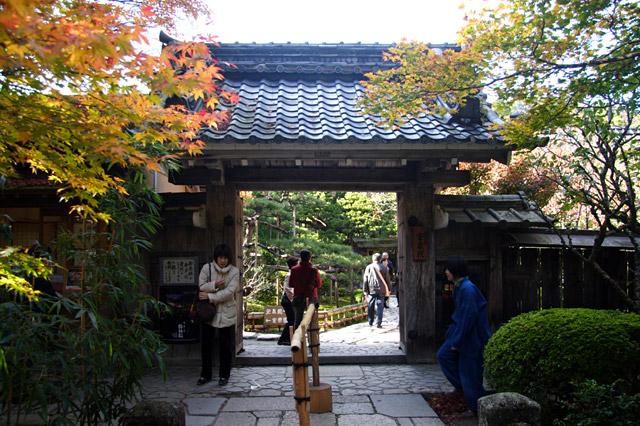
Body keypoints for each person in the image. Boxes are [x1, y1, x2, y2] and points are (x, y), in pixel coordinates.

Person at [436, 256, 491, 413]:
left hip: (472, 336)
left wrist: (457, 341)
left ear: (455, 271)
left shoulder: (468, 289)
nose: (446, 272)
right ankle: (465, 391)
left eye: (448, 269)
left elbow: (468, 317)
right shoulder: (461, 287)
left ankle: (476, 408)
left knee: (470, 372)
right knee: (444, 356)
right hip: (461, 332)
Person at [197, 244, 240, 386]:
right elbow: (201, 286)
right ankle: (205, 375)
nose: (223, 261)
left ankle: (224, 375)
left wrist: (210, 296)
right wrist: (214, 284)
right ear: (216, 257)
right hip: (208, 313)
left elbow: (230, 292)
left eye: (225, 258)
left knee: (225, 346)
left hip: (227, 312)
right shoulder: (207, 268)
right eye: (220, 257)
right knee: (206, 346)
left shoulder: (234, 271)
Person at [289, 249, 322, 329]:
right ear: (310, 258)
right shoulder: (314, 270)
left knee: (298, 320)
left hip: (298, 297)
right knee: (313, 320)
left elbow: (291, 284)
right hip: (311, 297)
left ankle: (297, 336)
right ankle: (313, 336)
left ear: (300, 257)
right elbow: (319, 284)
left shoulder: (294, 270)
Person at [277, 256, 299, 346]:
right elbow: (289, 289)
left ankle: (287, 339)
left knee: (292, 319)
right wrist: (294, 300)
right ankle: (283, 339)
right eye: (297, 264)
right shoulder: (290, 275)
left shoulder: (293, 274)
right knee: (292, 320)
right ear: (294, 265)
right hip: (288, 300)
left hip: (289, 299)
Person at [362, 253, 388, 328]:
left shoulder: (368, 267)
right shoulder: (384, 267)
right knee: (380, 306)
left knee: (370, 305)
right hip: (381, 289)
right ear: (380, 259)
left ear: (373, 259)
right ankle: (379, 323)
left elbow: (365, 280)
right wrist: (389, 289)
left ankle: (370, 322)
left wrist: (365, 290)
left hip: (371, 289)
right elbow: (387, 279)